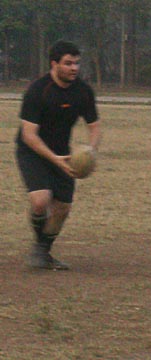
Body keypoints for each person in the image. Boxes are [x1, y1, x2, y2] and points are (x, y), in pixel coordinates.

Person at [15, 40, 101, 270]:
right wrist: (55, 160)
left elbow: (94, 126)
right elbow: (29, 135)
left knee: (63, 208)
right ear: (54, 64)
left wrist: (90, 151)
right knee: (40, 201)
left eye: (77, 63)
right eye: (68, 63)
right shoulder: (37, 91)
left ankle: (43, 251)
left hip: (63, 153)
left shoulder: (82, 91)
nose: (74, 68)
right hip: (32, 151)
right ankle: (40, 249)